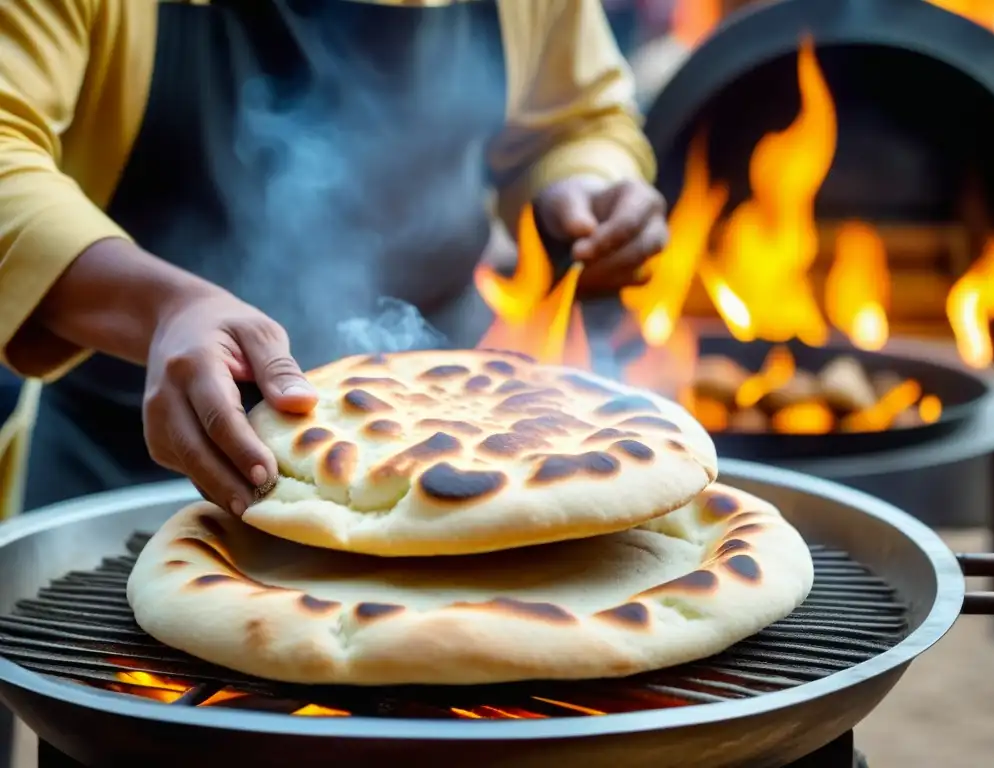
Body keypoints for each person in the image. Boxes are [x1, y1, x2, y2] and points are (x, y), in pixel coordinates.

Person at [0, 0, 668, 518]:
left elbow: (578, 120)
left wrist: (586, 183)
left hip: (450, 468)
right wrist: (167, 308)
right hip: (127, 470)